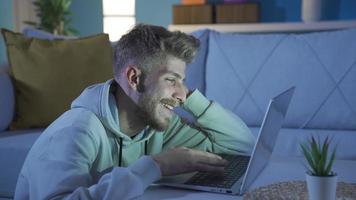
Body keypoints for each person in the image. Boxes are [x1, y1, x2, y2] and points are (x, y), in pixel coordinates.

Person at [14, 24, 255, 200]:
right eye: (171, 79)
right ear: (134, 78)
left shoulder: (157, 125)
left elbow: (242, 147)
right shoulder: (77, 131)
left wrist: (192, 99)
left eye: (183, 82)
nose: (182, 94)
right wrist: (156, 166)